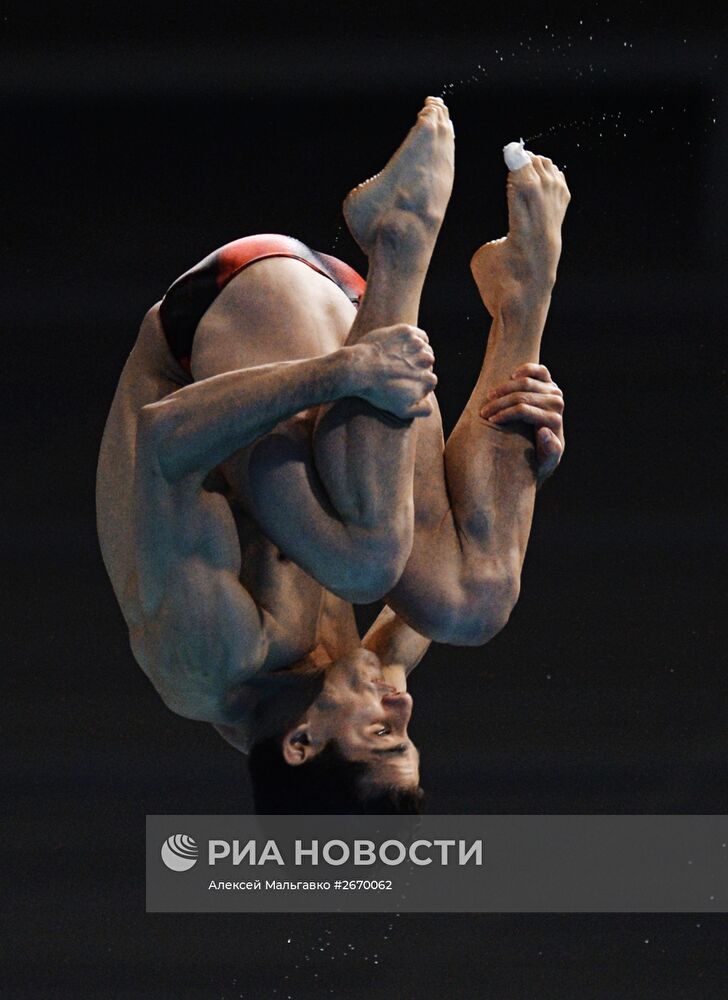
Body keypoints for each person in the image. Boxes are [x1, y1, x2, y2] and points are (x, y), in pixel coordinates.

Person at [96, 97, 569, 812]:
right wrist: (522, 464)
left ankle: (400, 238)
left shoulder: (205, 657)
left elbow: (164, 441)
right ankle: (522, 293)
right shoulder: (357, 673)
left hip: (240, 304)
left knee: (364, 561)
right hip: (362, 325)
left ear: (302, 743)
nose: (404, 711)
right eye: (407, 737)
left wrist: (341, 374)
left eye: (383, 736)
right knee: (473, 602)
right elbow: (452, 533)